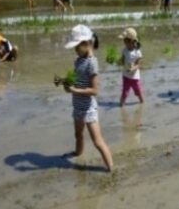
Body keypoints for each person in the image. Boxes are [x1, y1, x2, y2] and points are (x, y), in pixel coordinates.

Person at [62, 25, 113, 172]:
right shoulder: (78, 60)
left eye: (77, 46)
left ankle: (110, 169)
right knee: (78, 134)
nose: (75, 50)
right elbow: (78, 79)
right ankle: (78, 152)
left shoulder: (92, 63)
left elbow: (94, 90)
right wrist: (68, 83)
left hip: (89, 109)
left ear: (87, 44)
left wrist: (74, 90)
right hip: (77, 106)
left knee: (97, 141)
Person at [118, 28, 144, 107]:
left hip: (135, 78)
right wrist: (119, 62)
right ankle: (121, 105)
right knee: (125, 93)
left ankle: (142, 103)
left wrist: (133, 68)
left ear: (131, 41)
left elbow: (138, 64)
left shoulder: (137, 52)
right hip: (126, 76)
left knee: (138, 92)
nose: (123, 43)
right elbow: (122, 61)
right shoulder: (124, 50)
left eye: (125, 41)